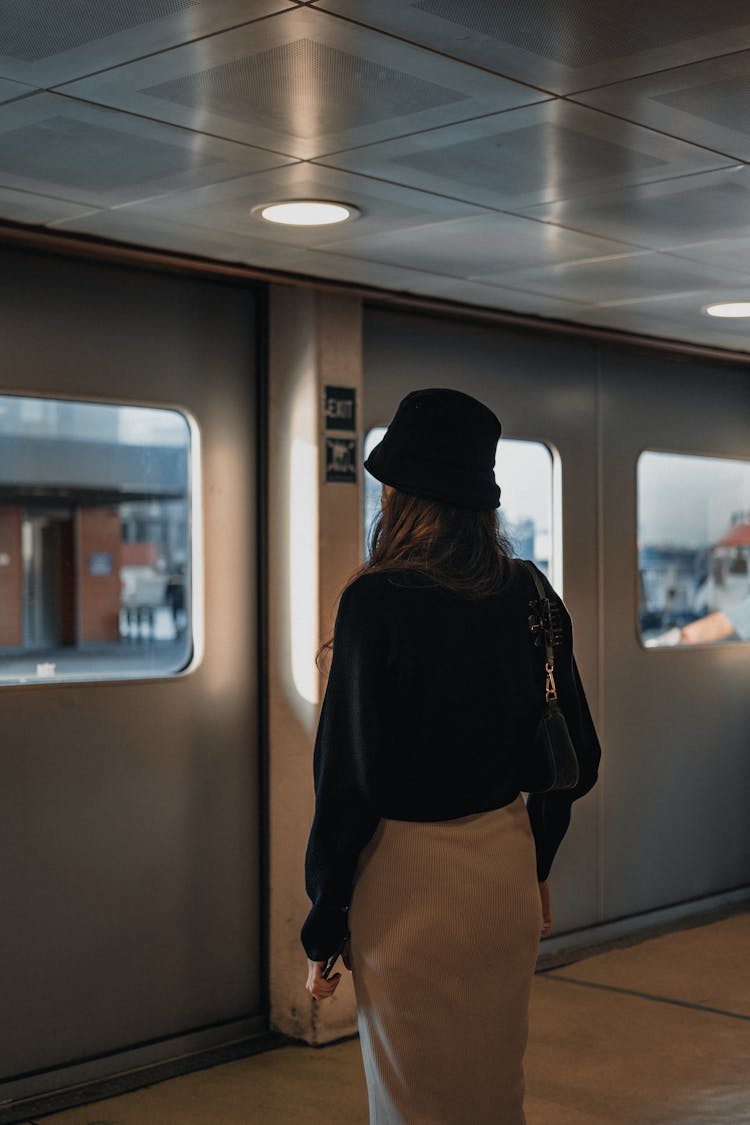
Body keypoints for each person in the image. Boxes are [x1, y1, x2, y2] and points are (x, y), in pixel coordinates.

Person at [301, 388, 602, 1124]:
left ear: (403, 494)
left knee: (413, 1101)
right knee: (495, 1093)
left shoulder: (377, 602)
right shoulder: (527, 592)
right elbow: (576, 756)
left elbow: (349, 782)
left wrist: (325, 917)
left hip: (408, 885)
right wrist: (537, 864)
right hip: (502, 868)